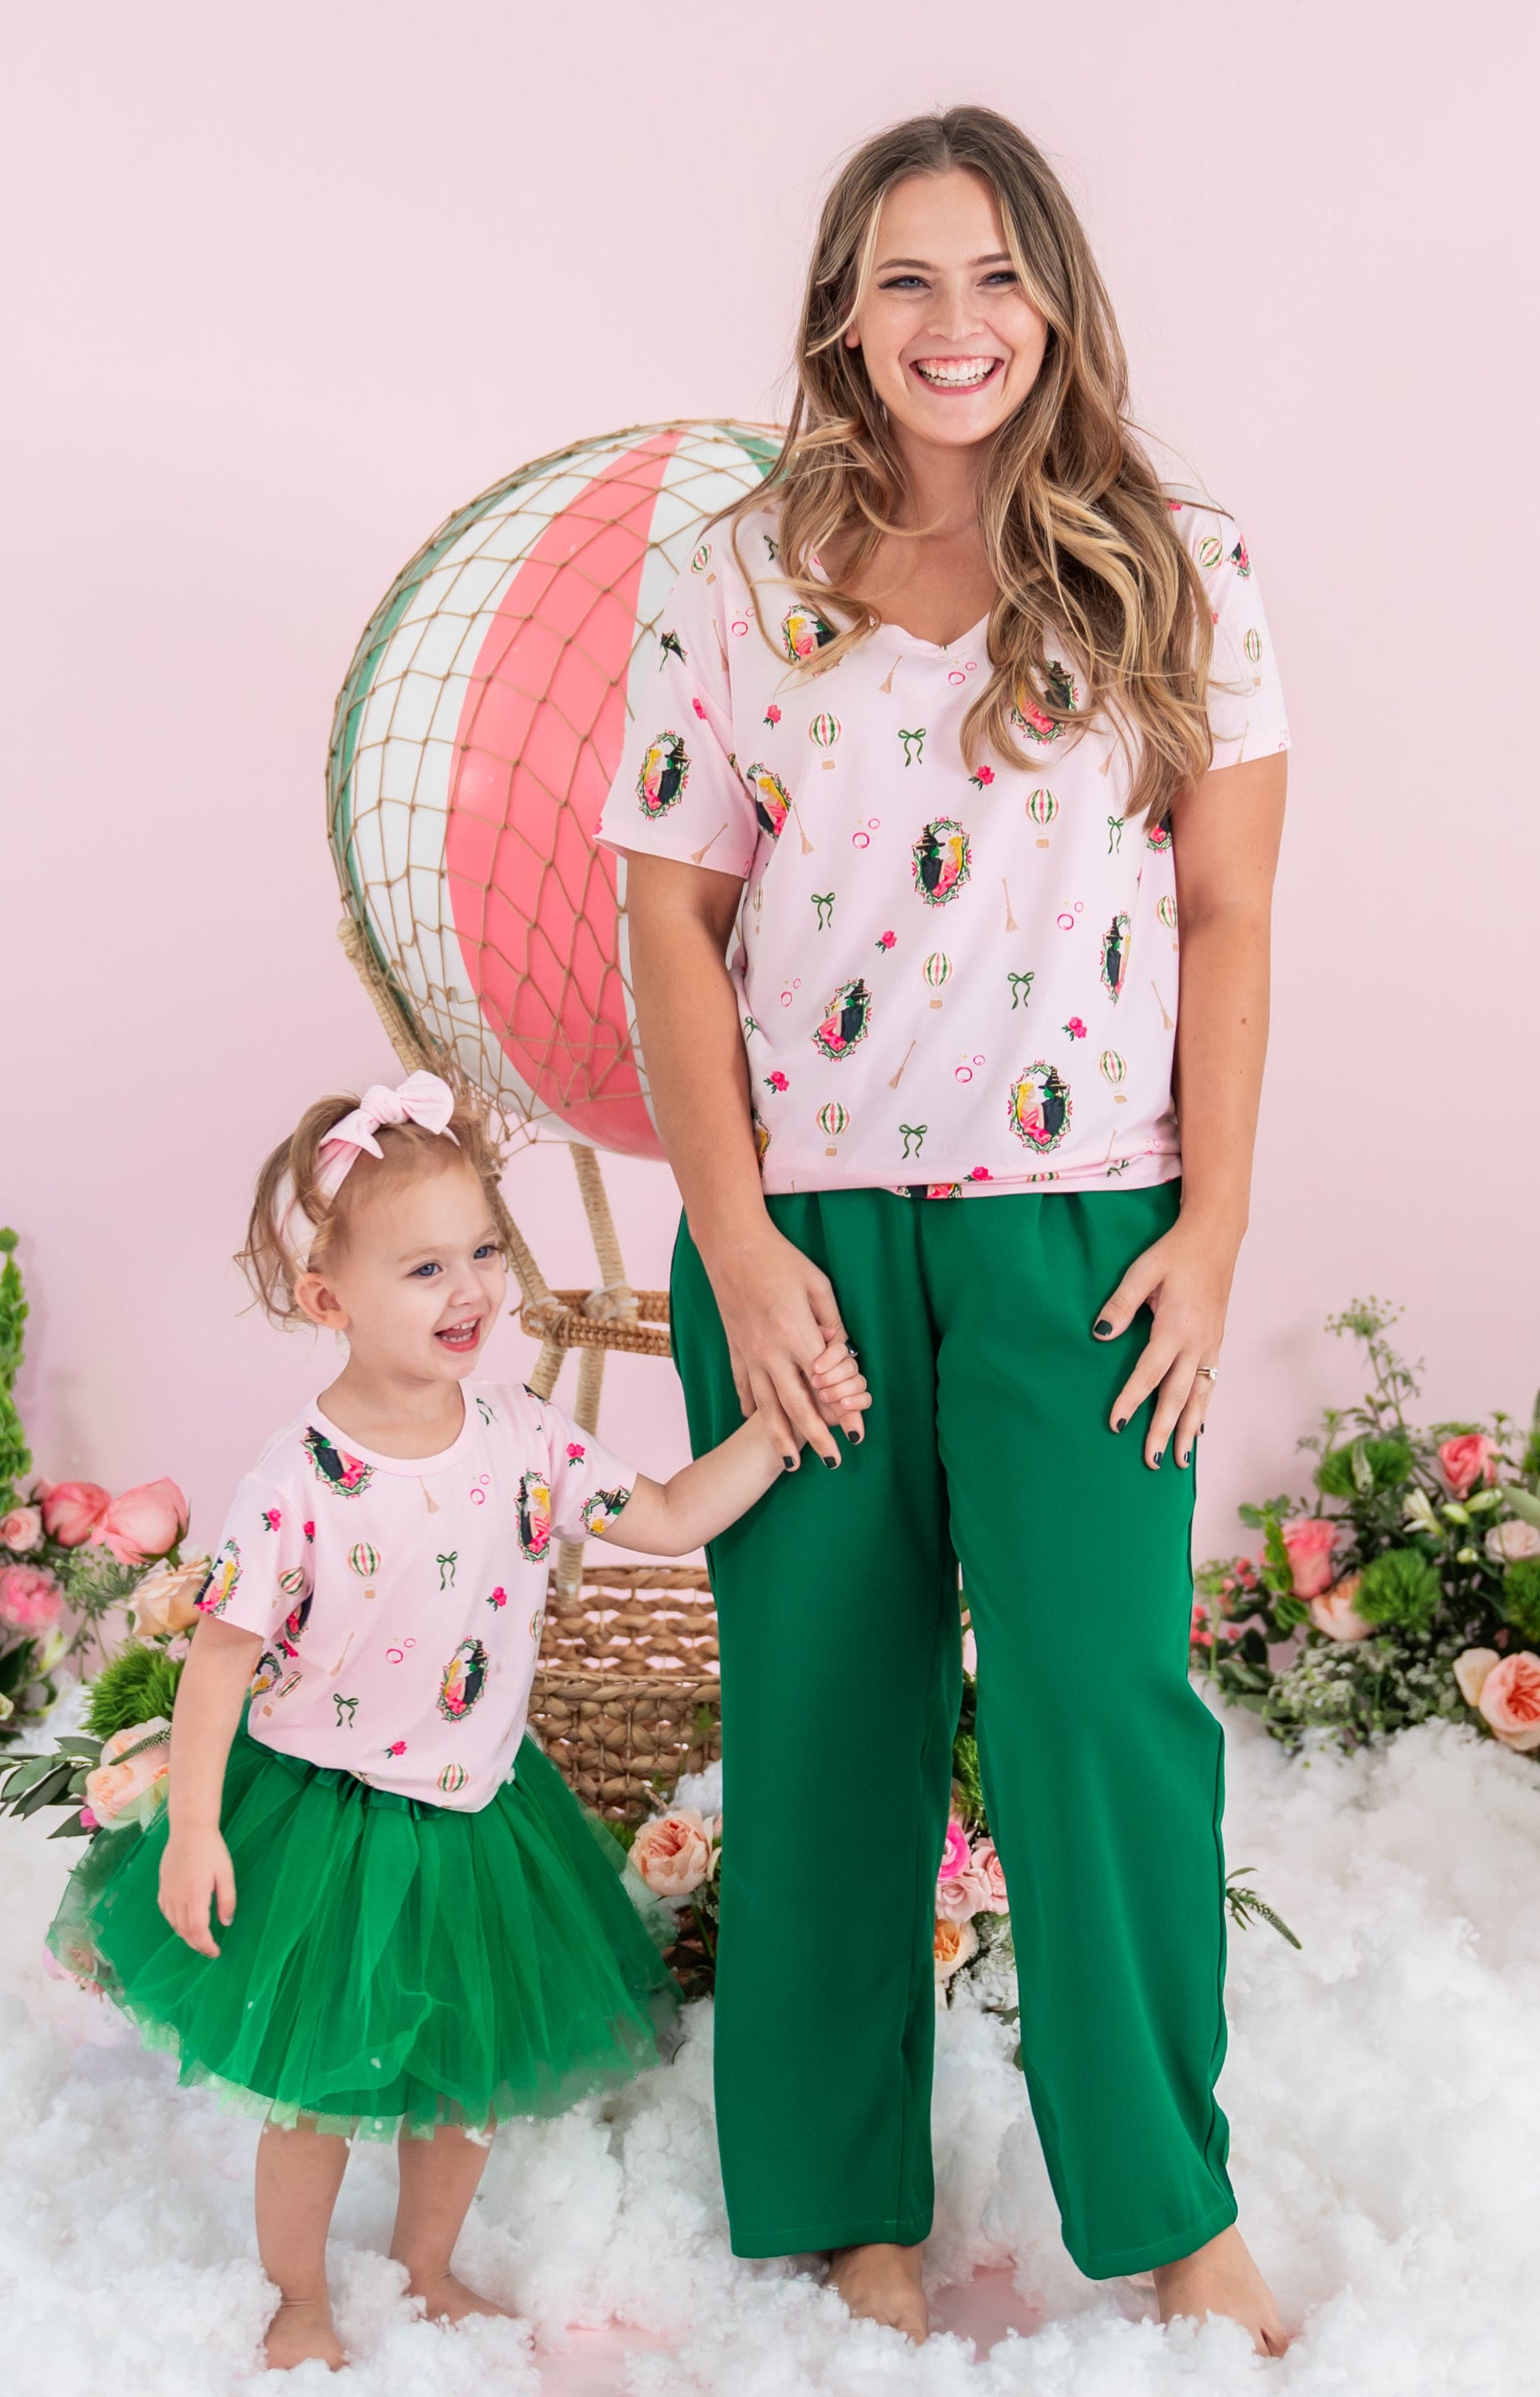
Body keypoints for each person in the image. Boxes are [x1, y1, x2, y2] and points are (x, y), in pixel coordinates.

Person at [595, 106, 1290, 2355]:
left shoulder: (1185, 565)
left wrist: (1211, 1233)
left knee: (1100, 1713)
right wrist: (737, 1230)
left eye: (994, 277)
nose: (954, 324)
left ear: (1056, 301)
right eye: (905, 280)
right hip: (801, 1235)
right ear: (841, 312)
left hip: (1080, 1240)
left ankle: (1172, 2211)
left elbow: (1228, 912)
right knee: (821, 1717)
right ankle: (838, 2200)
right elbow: (671, 927)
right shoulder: (731, 579)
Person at [48, 1071, 867, 2372]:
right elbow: (216, 1666)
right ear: (330, 1301)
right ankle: (298, 2291)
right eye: (425, 1269)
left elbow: (659, 1516)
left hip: (483, 1806)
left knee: (468, 2065)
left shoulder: (521, 1434)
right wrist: (196, 1825)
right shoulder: (294, 1485)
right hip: (325, 1816)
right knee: (314, 2082)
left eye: (485, 1250)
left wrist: (776, 1432)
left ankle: (425, 2265)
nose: (473, 1289)